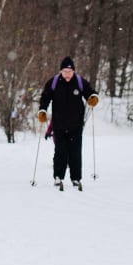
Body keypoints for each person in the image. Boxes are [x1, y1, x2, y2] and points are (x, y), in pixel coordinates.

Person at [37, 57, 98, 191]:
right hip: (59, 124)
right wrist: (42, 111)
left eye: (70, 71)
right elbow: (45, 97)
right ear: (61, 71)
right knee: (60, 151)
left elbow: (90, 93)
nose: (67, 74)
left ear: (73, 71)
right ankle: (58, 177)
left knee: (75, 152)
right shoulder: (53, 83)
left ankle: (76, 178)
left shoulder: (80, 82)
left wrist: (93, 98)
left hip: (76, 125)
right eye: (65, 71)